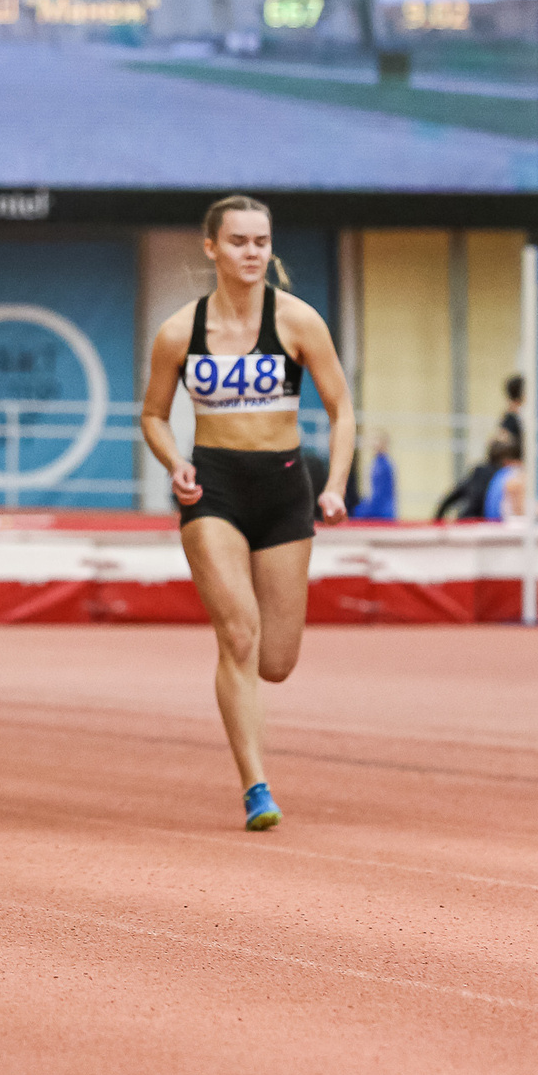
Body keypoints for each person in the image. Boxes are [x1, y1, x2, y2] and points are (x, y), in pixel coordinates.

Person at [139, 194, 355, 831]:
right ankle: (256, 785)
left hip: (287, 487)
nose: (253, 253)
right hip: (215, 489)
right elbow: (151, 413)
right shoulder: (181, 331)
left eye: (261, 242)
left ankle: (253, 730)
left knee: (275, 661)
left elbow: (343, 409)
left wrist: (335, 484)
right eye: (238, 242)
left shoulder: (298, 323)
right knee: (238, 633)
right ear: (212, 248)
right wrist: (173, 459)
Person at [350, 429, 396, 520]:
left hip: (382, 512)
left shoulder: (385, 465)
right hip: (378, 508)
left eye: (377, 441)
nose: (374, 444)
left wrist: (363, 510)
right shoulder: (376, 463)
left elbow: (380, 494)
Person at [482, 437, 526, 522]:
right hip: (501, 525)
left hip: (492, 522)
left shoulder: (500, 474)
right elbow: (519, 511)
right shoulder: (515, 476)